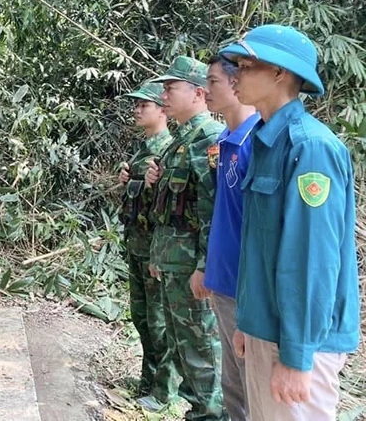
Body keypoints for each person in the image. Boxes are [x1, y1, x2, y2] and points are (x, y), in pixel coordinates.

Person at [219, 25, 359, 421]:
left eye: (245, 66)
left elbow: (312, 259)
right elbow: (259, 246)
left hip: (299, 342)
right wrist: (249, 322)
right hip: (270, 331)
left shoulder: (310, 148)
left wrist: (298, 357)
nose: (235, 76)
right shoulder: (266, 141)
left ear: (280, 73)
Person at [145, 55, 227, 420]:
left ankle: (212, 415)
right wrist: (158, 256)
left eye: (170, 87)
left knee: (202, 354)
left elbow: (212, 210)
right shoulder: (180, 141)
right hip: (172, 261)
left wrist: (204, 266)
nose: (164, 94)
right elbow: (170, 209)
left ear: (197, 93)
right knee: (183, 350)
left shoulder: (208, 140)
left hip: (191, 266)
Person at [117, 81, 180, 408]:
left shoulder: (168, 148)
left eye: (145, 104)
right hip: (138, 244)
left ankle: (164, 390)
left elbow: (170, 201)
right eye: (136, 104)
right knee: (142, 317)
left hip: (156, 248)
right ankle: (148, 380)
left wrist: (138, 182)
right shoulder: (145, 149)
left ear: (162, 110)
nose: (138, 109)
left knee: (158, 321)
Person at [203, 55, 260, 421]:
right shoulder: (223, 141)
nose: (206, 90)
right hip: (223, 280)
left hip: (246, 286)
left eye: (212, 82)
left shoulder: (257, 143)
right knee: (233, 387)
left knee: (252, 386)